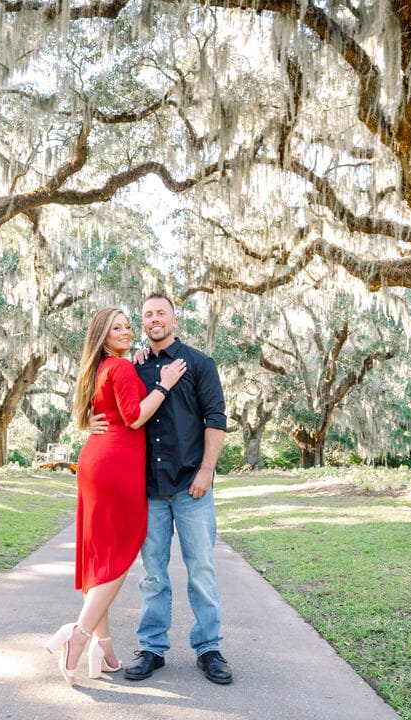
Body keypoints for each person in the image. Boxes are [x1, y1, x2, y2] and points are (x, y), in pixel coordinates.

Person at [44, 306, 186, 687]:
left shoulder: (99, 368)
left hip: (94, 461)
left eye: (127, 327)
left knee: (99, 555)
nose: (125, 332)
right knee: (121, 552)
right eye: (116, 328)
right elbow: (135, 416)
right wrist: (164, 384)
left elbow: (93, 414)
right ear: (102, 335)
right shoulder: (120, 367)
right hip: (118, 465)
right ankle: (79, 634)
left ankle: (103, 649)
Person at [124, 292, 233, 685]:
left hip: (191, 486)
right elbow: (124, 414)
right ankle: (152, 648)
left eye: (160, 313)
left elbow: (216, 418)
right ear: (143, 322)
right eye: (147, 314)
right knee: (153, 573)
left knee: (200, 569)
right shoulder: (133, 367)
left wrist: (206, 469)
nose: (154, 319)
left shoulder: (199, 364)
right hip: (147, 489)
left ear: (174, 319)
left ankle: (209, 649)